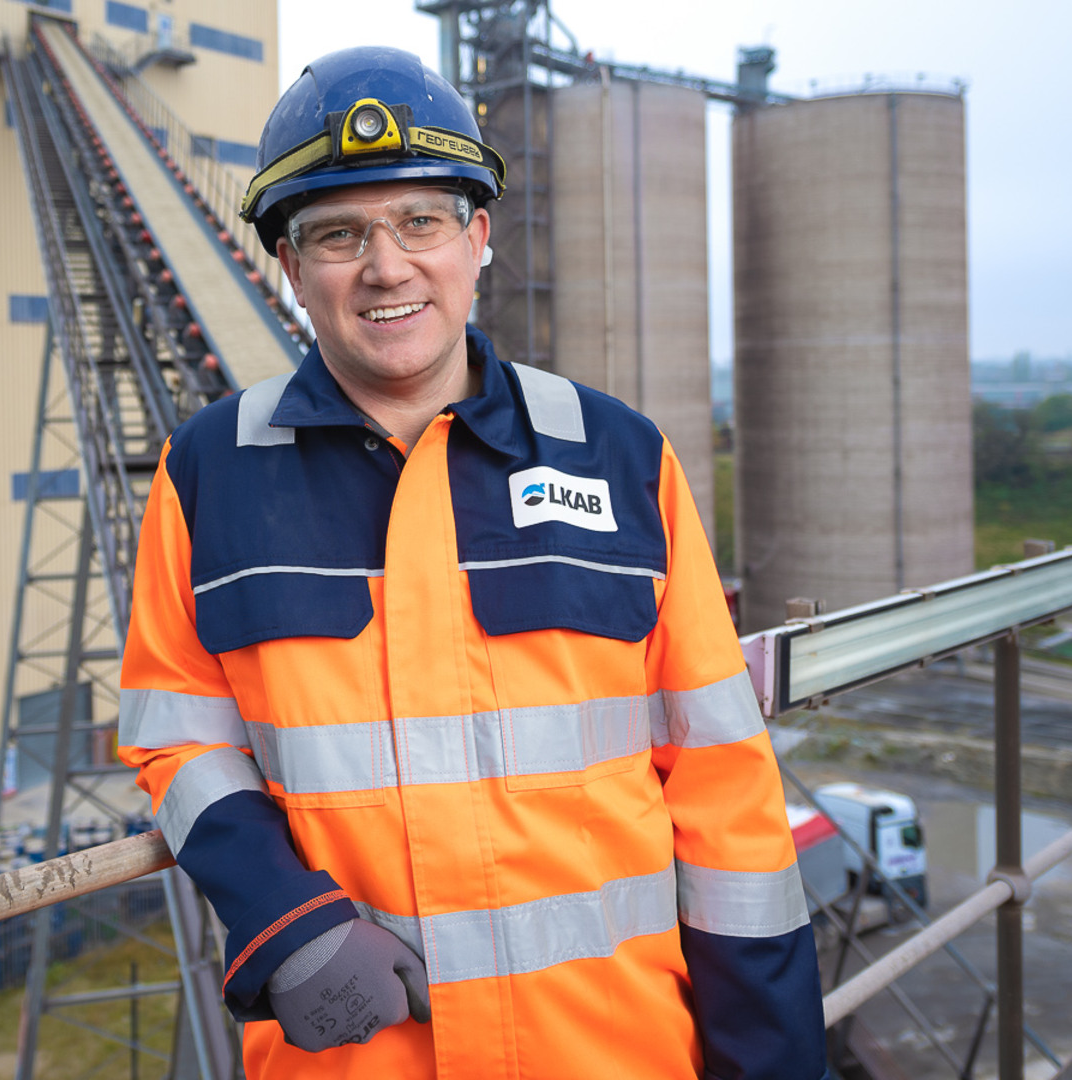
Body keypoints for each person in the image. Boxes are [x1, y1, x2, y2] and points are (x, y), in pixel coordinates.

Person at [118, 45, 826, 1079]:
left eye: (422, 221)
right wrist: (280, 917)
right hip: (363, 1060)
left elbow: (725, 786)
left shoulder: (618, 456)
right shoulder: (210, 474)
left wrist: (773, 1064)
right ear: (290, 268)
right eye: (338, 234)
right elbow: (177, 733)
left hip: (616, 1054)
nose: (387, 266)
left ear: (478, 238)